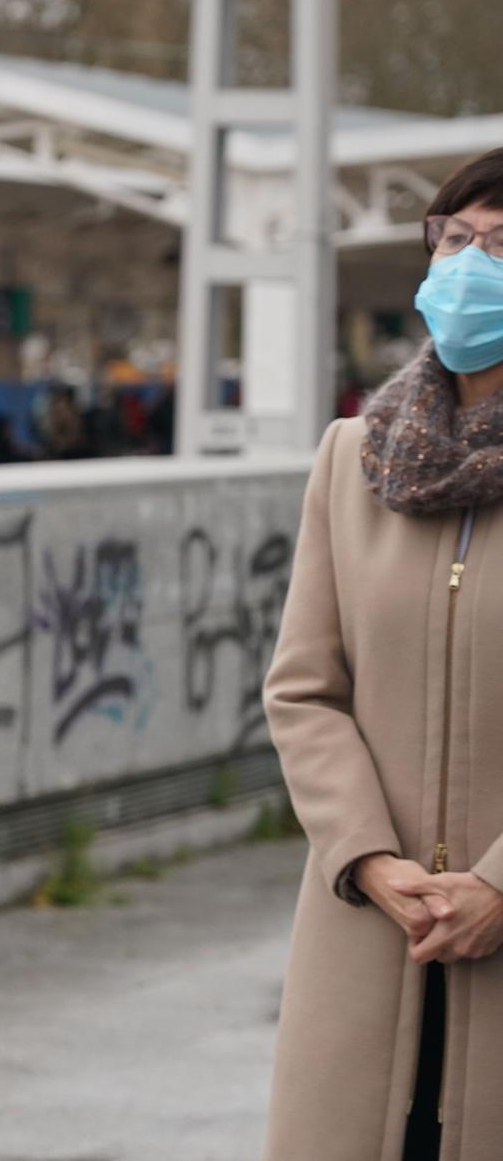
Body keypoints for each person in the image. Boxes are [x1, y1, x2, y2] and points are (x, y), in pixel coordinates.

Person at [264, 148, 503, 1160]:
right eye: (455, 239)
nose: (469, 265)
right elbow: (303, 689)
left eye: (500, 247)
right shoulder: (348, 458)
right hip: (372, 937)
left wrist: (498, 884)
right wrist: (363, 856)